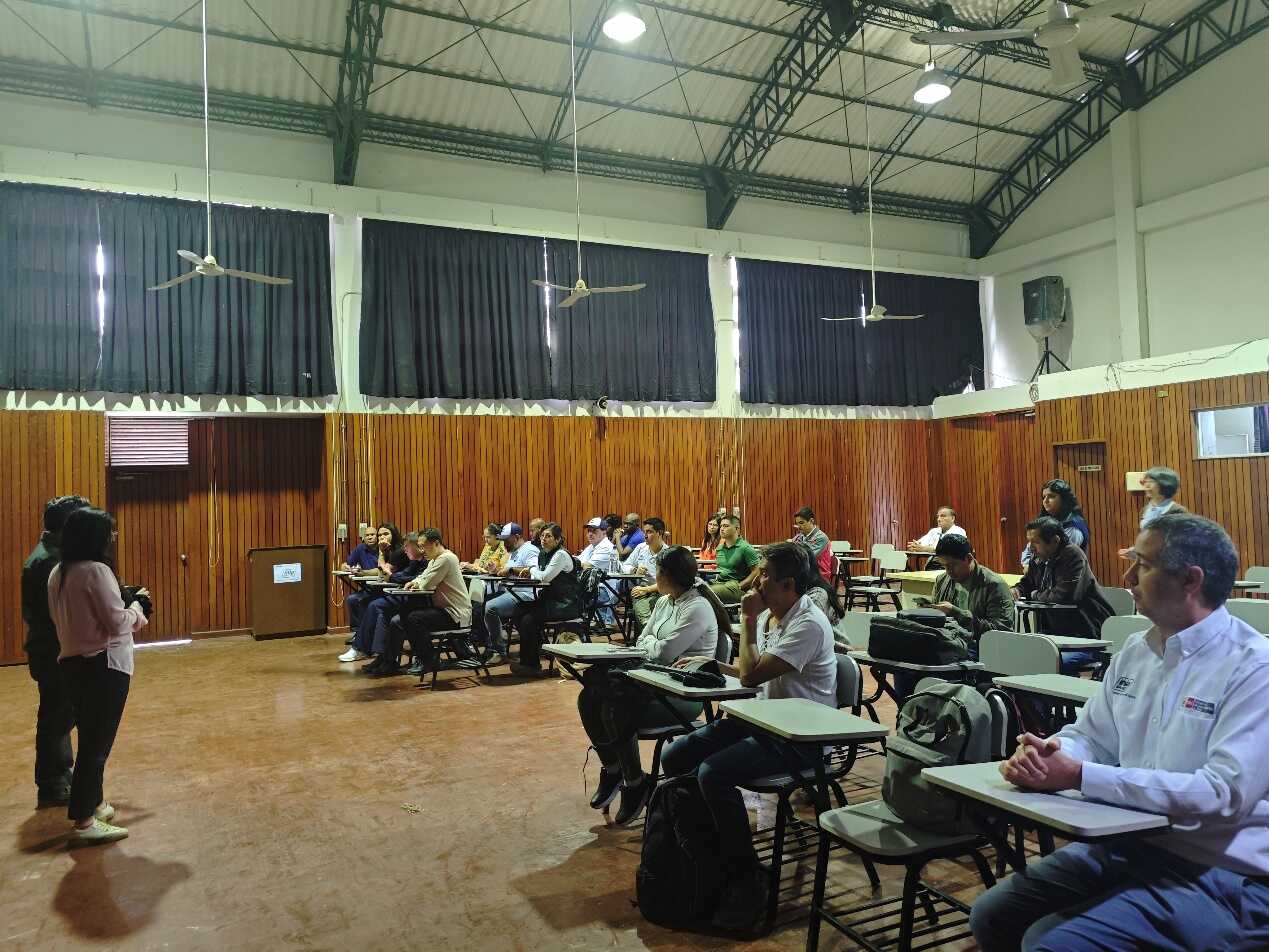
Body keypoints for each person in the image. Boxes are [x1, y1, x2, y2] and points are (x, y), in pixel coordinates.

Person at [969, 512, 1269, 952]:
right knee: (993, 916)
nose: (1126, 578)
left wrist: (1078, 775)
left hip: (1226, 869)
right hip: (1135, 842)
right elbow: (1092, 736)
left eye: (1142, 565)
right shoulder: (1135, 650)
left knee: (1047, 944)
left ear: (1190, 579)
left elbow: (1221, 795)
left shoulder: (1254, 667)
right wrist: (1051, 754)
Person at [662, 542, 836, 926]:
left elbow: (751, 676)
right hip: (762, 720)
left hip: (800, 736)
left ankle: (746, 875)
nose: (755, 584)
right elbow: (751, 670)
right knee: (675, 756)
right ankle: (708, 853)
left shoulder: (806, 623)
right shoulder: (775, 615)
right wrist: (713, 664)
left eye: (764, 577)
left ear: (788, 584)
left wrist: (748, 620)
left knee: (713, 773)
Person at [579, 546, 732, 825]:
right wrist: (654, 645)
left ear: (669, 575)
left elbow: (662, 653)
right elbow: (644, 643)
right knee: (588, 697)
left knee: (614, 707)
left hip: (684, 697)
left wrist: (653, 645)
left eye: (657, 571)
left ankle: (635, 783)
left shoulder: (697, 607)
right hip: (652, 683)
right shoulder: (664, 602)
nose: (653, 576)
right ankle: (613, 768)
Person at [47, 507, 149, 846]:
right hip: (104, 666)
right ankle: (84, 820)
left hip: (73, 664)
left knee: (91, 738)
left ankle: (94, 803)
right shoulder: (96, 570)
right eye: (109, 533)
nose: (112, 539)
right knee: (96, 745)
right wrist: (138, 608)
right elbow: (117, 622)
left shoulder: (58, 573)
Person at [22, 494, 93, 809]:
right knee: (56, 717)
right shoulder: (50, 561)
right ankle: (52, 784)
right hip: (53, 650)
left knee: (60, 714)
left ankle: (59, 775)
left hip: (51, 647)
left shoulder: (51, 555)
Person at [373, 528, 473, 678]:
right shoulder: (435, 559)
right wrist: (415, 582)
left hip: (456, 614)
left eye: (423, 546)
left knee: (414, 618)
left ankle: (429, 660)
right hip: (445, 610)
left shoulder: (447, 558)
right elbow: (422, 577)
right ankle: (398, 660)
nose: (421, 550)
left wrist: (416, 583)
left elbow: (427, 583)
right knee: (403, 616)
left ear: (436, 543)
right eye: (419, 546)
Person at [339, 531, 427, 663]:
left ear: (419, 547)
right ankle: (382, 658)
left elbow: (408, 578)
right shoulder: (414, 561)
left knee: (375, 605)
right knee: (377, 611)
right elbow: (402, 575)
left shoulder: (425, 561)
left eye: (407, 547)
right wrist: (392, 576)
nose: (405, 550)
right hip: (405, 595)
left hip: (417, 600)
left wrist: (391, 575)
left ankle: (362, 649)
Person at [510, 523, 582, 677]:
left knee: (528, 620)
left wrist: (531, 569)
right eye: (542, 536)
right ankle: (537, 647)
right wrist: (533, 572)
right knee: (518, 610)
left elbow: (544, 577)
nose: (543, 539)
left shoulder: (561, 555)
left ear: (558, 540)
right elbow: (541, 575)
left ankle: (531, 665)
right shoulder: (543, 553)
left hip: (564, 604)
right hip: (549, 600)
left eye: (548, 536)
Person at [474, 523, 540, 666]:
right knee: (480, 604)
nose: (504, 543)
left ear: (516, 537)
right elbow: (507, 571)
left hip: (526, 594)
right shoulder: (514, 551)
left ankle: (499, 652)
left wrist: (510, 570)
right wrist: (496, 569)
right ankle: (491, 646)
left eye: (506, 539)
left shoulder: (529, 549)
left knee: (490, 608)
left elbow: (533, 571)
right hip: (511, 591)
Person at [927, 534, 1017, 638]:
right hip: (948, 641)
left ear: (969, 558)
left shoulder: (994, 585)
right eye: (944, 566)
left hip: (980, 645)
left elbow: (1001, 633)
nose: (948, 571)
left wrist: (957, 614)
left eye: (953, 565)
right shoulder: (942, 580)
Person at [345, 522, 406, 631]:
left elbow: (381, 572)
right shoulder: (368, 549)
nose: (381, 537)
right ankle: (359, 633)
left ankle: (365, 633)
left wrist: (364, 572)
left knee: (367, 603)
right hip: (378, 587)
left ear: (393, 534)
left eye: (373, 535)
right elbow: (347, 564)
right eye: (379, 535)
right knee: (353, 599)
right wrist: (347, 567)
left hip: (395, 590)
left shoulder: (395, 551)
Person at [1021, 480, 1089, 567]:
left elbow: (1059, 558)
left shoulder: (1074, 526)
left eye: (1051, 496)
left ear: (1064, 499)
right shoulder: (1044, 522)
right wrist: (1027, 565)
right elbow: (1029, 549)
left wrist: (1032, 566)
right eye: (1044, 497)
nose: (1045, 501)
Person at [623, 517, 669, 633]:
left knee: (648, 600)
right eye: (645, 532)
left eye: (649, 532)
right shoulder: (640, 548)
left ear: (659, 533)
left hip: (660, 591)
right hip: (642, 589)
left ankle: (646, 631)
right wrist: (634, 570)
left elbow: (668, 582)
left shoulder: (667, 553)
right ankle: (648, 629)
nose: (645, 535)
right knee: (637, 594)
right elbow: (625, 566)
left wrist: (647, 590)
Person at [709, 514, 761, 604]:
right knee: (695, 588)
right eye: (721, 526)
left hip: (735, 587)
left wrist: (740, 586)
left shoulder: (745, 548)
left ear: (737, 529)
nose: (722, 529)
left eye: (726, 526)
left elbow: (756, 571)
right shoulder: (719, 548)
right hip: (718, 583)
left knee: (708, 592)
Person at [579, 516, 618, 627]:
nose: (590, 534)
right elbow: (578, 561)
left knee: (569, 593)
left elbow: (587, 566)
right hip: (592, 588)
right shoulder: (592, 546)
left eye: (594, 531)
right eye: (589, 531)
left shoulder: (606, 547)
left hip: (604, 591)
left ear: (604, 532)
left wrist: (572, 563)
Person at [792, 506, 833, 582]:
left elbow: (806, 557)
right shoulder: (799, 536)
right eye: (797, 524)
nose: (798, 527)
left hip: (819, 578)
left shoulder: (821, 537)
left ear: (811, 521)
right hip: (804, 574)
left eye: (801, 523)